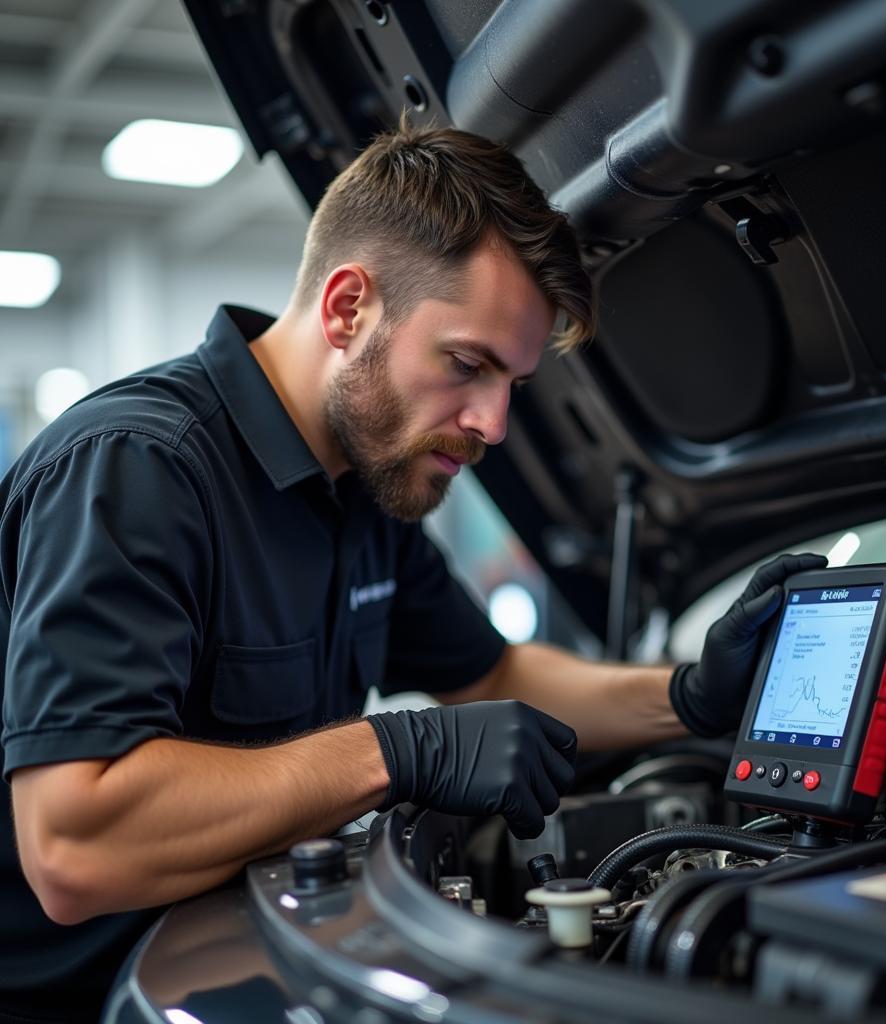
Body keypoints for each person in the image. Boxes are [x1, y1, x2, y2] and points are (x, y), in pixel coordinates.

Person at [0, 118, 824, 1022]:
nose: (493, 423)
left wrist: (690, 696)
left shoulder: (363, 482)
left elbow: (498, 673)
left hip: (246, 967)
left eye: (509, 383)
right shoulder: (138, 469)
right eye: (467, 365)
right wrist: (398, 750)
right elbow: (75, 848)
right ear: (349, 308)